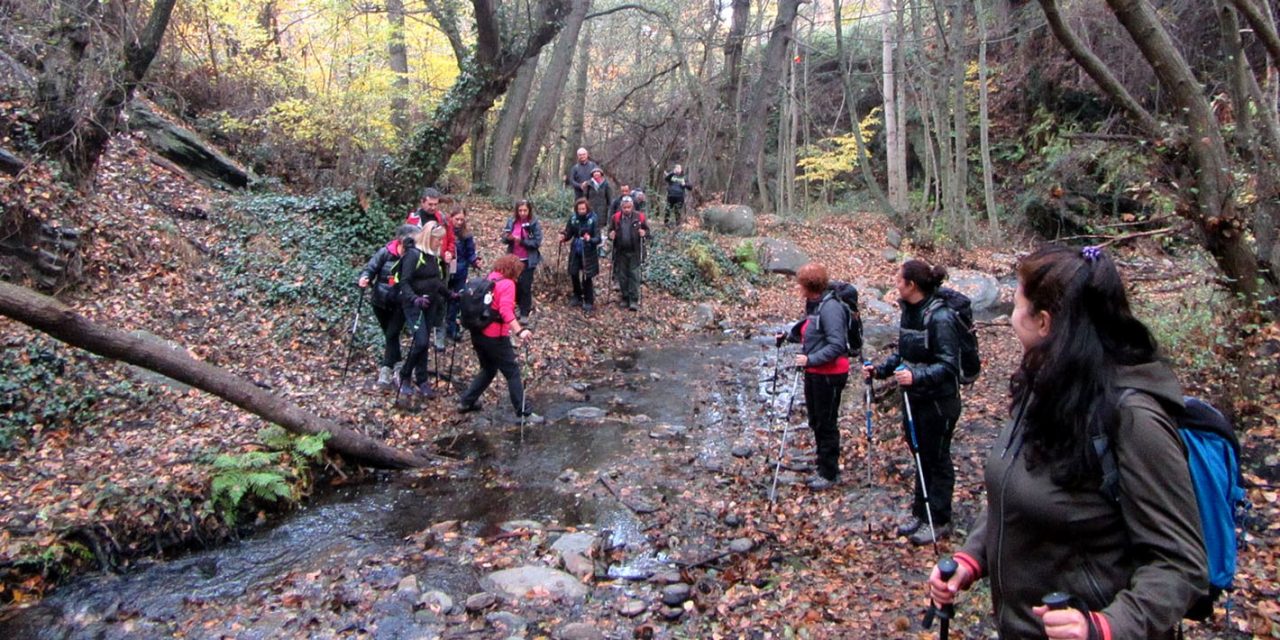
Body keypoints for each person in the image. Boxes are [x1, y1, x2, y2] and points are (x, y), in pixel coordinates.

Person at [926, 245, 1207, 640]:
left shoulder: (1133, 418)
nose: (1010, 318)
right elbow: (1014, 493)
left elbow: (1181, 565)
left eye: (1017, 305)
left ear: (1044, 322)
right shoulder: (1042, 390)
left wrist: (1106, 626)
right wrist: (971, 558)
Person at [863, 259, 963, 546]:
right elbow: (904, 352)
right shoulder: (909, 312)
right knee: (920, 455)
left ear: (912, 285)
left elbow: (949, 365)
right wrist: (880, 370)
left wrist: (916, 377)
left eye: (898, 278)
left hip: (939, 402)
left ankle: (939, 519)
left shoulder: (941, 318)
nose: (894, 281)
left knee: (936, 458)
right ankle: (921, 513)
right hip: (915, 399)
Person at [778, 263, 850, 490]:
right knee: (817, 421)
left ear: (809, 286)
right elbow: (811, 331)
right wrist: (789, 337)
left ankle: (829, 473)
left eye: (800, 284)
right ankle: (822, 464)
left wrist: (810, 360)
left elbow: (837, 344)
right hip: (815, 372)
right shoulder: (815, 304)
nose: (798, 288)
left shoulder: (830, 309)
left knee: (826, 423)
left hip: (830, 374)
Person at [457, 254, 535, 418]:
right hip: (494, 336)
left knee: (489, 368)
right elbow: (505, 311)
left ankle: (466, 401)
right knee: (512, 372)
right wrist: (520, 331)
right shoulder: (507, 284)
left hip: (477, 332)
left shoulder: (490, 278)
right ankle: (523, 412)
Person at [358, 224, 419, 387]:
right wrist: (365, 278)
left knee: (392, 333)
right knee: (390, 335)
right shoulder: (386, 252)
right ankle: (397, 363)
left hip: (401, 303)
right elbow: (371, 268)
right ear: (401, 239)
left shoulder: (415, 256)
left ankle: (386, 368)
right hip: (380, 301)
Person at [396, 222, 450, 399]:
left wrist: (450, 294)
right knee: (420, 341)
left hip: (430, 304)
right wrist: (415, 299)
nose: (441, 243)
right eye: (438, 239)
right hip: (414, 305)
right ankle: (404, 375)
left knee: (425, 342)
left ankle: (422, 380)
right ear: (430, 238)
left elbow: (436, 281)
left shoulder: (432, 256)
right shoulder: (413, 255)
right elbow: (404, 282)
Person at [406, 188, 456, 350]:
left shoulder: (442, 218)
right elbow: (407, 242)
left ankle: (438, 330)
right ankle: (418, 328)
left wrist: (449, 251)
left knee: (441, 297)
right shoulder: (413, 220)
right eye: (430, 204)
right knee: (421, 296)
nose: (433, 207)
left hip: (440, 264)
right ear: (422, 202)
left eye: (435, 204)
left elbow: (450, 238)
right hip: (420, 266)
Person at [501, 199, 543, 321]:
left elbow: (537, 242)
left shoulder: (534, 223)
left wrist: (523, 242)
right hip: (513, 259)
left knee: (525, 286)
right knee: (513, 285)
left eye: (525, 210)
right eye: (520, 210)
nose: (522, 213)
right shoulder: (512, 221)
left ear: (529, 211)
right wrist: (508, 238)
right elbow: (504, 237)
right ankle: (514, 308)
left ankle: (525, 312)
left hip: (527, 260)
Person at [608, 196, 648, 311]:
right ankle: (625, 298)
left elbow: (648, 232)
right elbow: (610, 230)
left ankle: (634, 300)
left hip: (635, 251)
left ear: (632, 207)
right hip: (620, 251)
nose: (627, 209)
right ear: (621, 207)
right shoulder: (616, 218)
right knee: (622, 276)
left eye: (629, 207)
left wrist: (644, 232)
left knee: (634, 275)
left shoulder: (639, 217)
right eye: (624, 207)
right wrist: (611, 235)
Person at [445, 210, 481, 341]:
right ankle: (441, 327)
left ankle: (452, 328)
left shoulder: (466, 235)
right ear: (451, 217)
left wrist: (475, 261)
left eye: (462, 220)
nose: (459, 222)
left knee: (456, 299)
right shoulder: (443, 231)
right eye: (457, 219)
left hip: (460, 271)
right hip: (445, 270)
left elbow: (470, 252)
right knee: (443, 298)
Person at [561, 198, 601, 313]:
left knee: (587, 276)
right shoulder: (573, 218)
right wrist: (564, 237)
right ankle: (577, 296)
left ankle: (589, 300)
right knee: (573, 273)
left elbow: (598, 238)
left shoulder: (593, 219)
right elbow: (568, 232)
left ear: (587, 208)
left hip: (588, 251)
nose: (582, 211)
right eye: (579, 209)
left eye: (583, 209)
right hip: (576, 249)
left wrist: (590, 239)